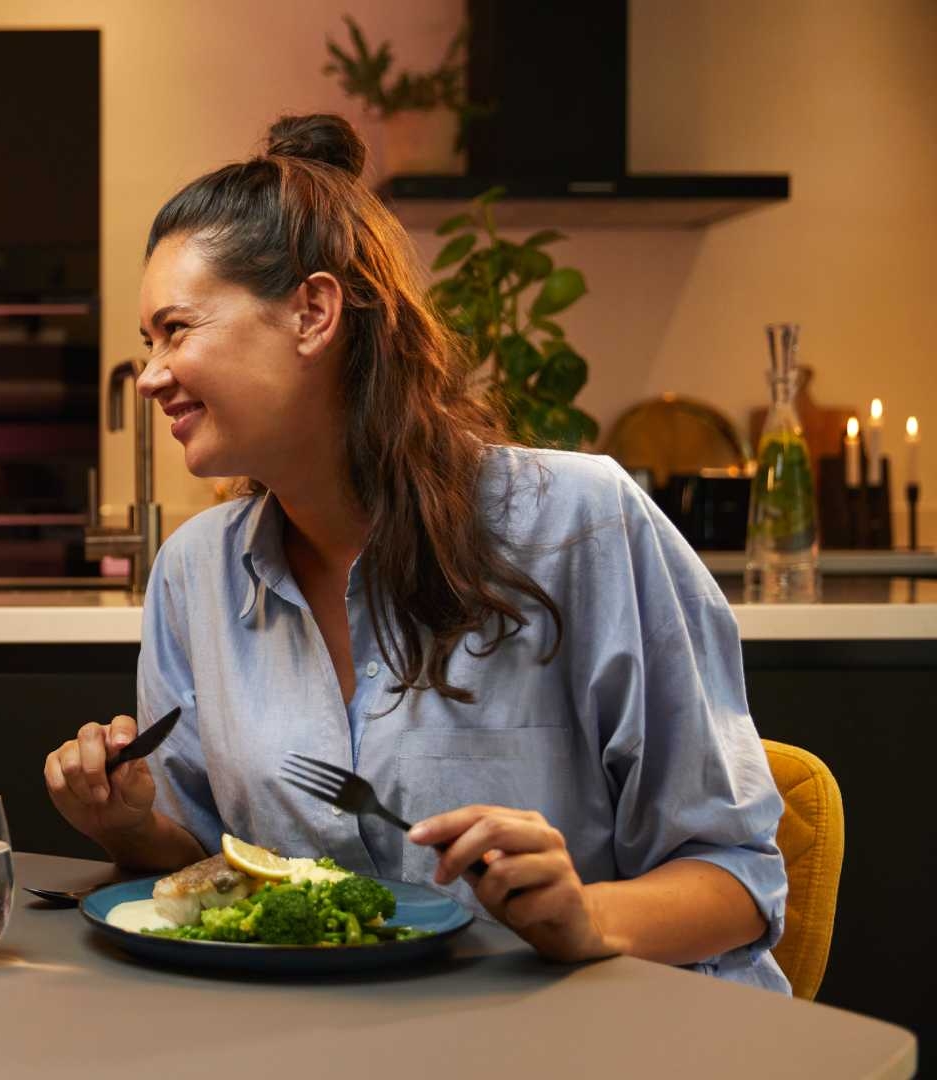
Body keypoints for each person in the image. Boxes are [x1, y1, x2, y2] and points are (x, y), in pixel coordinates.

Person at [43, 114, 788, 990]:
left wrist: (585, 918)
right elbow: (213, 873)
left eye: (176, 329)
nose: (153, 372)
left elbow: (738, 881)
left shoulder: (584, 523)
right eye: (147, 343)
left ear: (313, 314)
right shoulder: (194, 574)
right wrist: (127, 826)